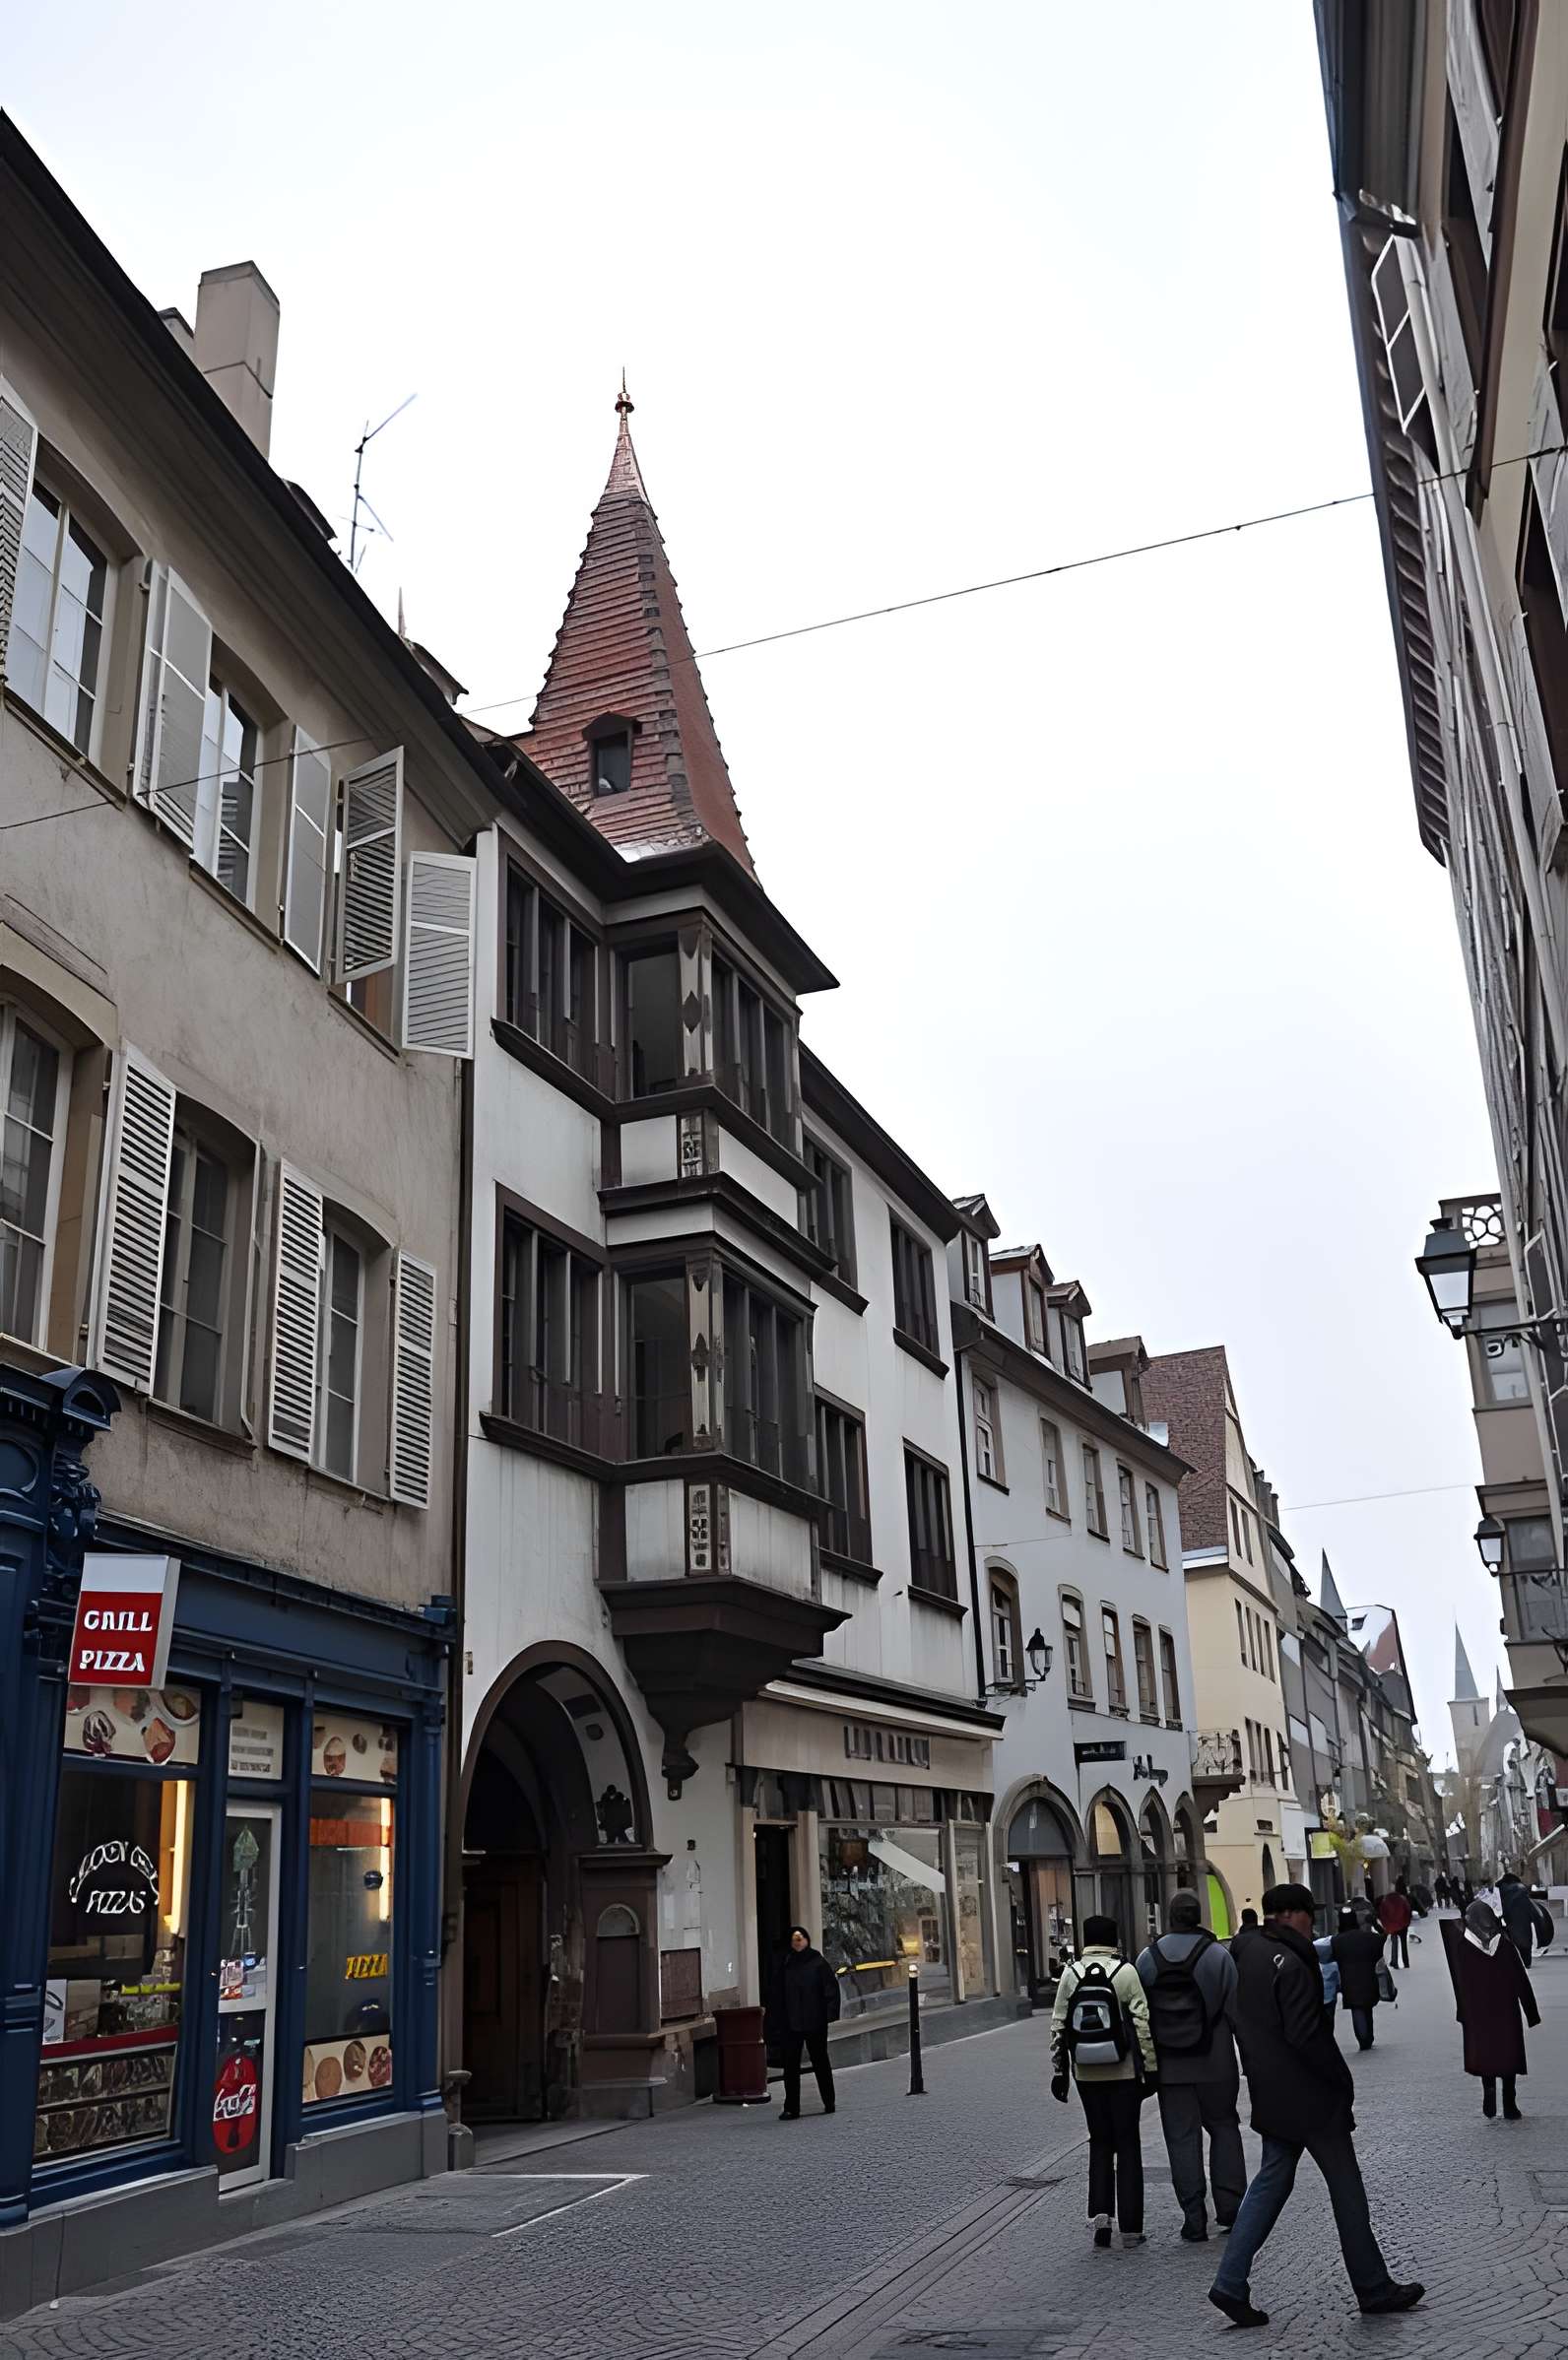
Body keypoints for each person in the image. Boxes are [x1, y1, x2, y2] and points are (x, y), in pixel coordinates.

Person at [1209, 1884, 1423, 2328]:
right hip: (1308, 2095)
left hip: (1270, 2088)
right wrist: (1340, 2082)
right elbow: (1308, 2035)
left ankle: (1230, 2281)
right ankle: (1373, 2286)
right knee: (1346, 2186)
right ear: (1293, 1915)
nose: (1314, 1926)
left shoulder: (1243, 1952)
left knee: (1271, 2181)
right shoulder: (1292, 1961)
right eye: (1310, 1916)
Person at [1137, 1890, 1248, 2242]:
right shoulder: (1218, 1956)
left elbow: (1139, 2017)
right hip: (1216, 2063)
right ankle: (1230, 2208)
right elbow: (1237, 2015)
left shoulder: (1147, 1958)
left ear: (1170, 1917)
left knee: (1181, 2139)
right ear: (1199, 1916)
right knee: (1225, 2128)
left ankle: (1193, 2216)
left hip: (1171, 2068)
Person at [1051, 1913, 1158, 2250]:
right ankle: (1130, 2228)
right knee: (1127, 2144)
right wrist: (1151, 2068)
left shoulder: (1071, 1974)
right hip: (1123, 2071)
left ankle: (1100, 2222)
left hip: (1086, 2073)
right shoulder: (1126, 1972)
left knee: (1099, 2141)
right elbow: (1142, 2023)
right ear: (1114, 1941)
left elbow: (1058, 2026)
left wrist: (1059, 2072)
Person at [1441, 1898, 1540, 2120]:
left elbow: (1461, 1984)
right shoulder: (1505, 1945)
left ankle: (1489, 2091)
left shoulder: (1463, 1948)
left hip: (1479, 2013)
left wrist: (1463, 2012)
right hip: (1506, 2010)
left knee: (1486, 2053)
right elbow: (1520, 1980)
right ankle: (1509, 2102)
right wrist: (1530, 2012)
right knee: (1508, 2053)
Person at [765, 1927, 839, 2121]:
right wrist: (775, 2021)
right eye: (794, 1939)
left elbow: (830, 1989)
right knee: (790, 2066)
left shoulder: (817, 1962)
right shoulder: (785, 1964)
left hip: (815, 2022)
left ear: (807, 1940)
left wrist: (828, 2015)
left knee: (820, 2061)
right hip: (791, 2023)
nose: (798, 1943)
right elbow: (777, 1994)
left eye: (801, 1939)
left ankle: (829, 2101)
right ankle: (791, 2107)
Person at [1330, 1904, 1386, 2050]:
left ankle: (1363, 2039)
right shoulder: (1369, 1938)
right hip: (1369, 1978)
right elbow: (1384, 1939)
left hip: (1349, 1981)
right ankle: (1368, 2037)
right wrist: (1375, 1923)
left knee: (1357, 2009)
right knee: (1367, 2008)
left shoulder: (1336, 1941)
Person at [1496, 1870, 1538, 1967]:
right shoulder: (1522, 1890)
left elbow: (1503, 1908)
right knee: (1526, 1941)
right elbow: (1531, 1908)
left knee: (1517, 1942)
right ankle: (1526, 1963)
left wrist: (1501, 1917)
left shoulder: (1503, 1890)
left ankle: (1520, 1963)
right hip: (1524, 1919)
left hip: (1511, 1921)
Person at [1377, 1881, 1413, 1971]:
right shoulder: (1403, 1899)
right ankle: (1406, 1963)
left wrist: (1386, 1925)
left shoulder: (1386, 1900)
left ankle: (1394, 1961)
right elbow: (1408, 1911)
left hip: (1392, 1926)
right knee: (1404, 1944)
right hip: (1403, 1925)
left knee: (1394, 1943)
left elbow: (1382, 1913)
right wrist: (1407, 1922)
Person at [1315, 1931, 1341, 2033]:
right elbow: (1338, 1980)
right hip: (1329, 1998)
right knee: (1329, 2021)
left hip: (1317, 1997)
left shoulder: (1306, 1961)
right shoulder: (1332, 1963)